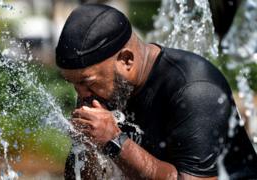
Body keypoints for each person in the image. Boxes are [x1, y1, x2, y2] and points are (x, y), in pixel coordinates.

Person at [55, 4, 257, 180]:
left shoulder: (194, 89)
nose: (82, 95)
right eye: (73, 84)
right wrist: (88, 147)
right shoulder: (104, 90)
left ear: (126, 60)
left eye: (87, 82)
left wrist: (114, 141)